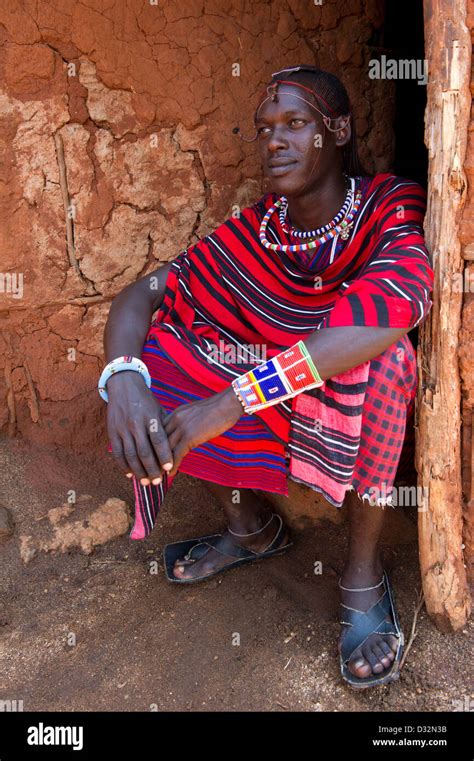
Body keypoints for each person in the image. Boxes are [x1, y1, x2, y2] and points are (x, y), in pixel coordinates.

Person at [101, 65, 434, 689]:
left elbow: (392, 313)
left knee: (388, 363)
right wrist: (120, 379)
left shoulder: (390, 203)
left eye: (294, 124)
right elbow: (143, 294)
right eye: (263, 129)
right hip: (280, 397)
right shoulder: (258, 231)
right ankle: (252, 528)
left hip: (339, 401)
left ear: (336, 131)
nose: (273, 140)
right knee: (157, 360)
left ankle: (362, 572)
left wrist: (230, 401)